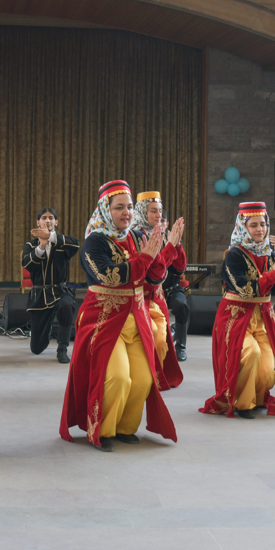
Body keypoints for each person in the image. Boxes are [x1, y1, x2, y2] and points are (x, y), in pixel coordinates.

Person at [59, 180, 177, 452]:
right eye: (119, 207)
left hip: (137, 318)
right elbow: (110, 276)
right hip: (104, 319)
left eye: (129, 207)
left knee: (144, 379)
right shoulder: (94, 242)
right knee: (118, 377)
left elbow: (154, 276)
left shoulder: (138, 237)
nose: (126, 212)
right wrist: (146, 260)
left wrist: (163, 252)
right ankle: (101, 429)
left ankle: (125, 427)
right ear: (105, 210)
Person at [202, 201, 275, 418]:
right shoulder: (234, 255)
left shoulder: (269, 253)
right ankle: (242, 402)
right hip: (236, 316)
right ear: (243, 227)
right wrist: (274, 272)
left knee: (267, 371)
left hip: (262, 316)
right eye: (253, 225)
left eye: (262, 224)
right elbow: (246, 290)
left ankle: (256, 396)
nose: (259, 229)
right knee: (251, 354)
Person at [133, 191, 191, 366]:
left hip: (165, 291)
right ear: (143, 212)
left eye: (160, 211)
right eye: (153, 211)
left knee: (180, 307)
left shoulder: (164, 236)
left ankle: (180, 345)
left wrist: (177, 245)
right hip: (143, 294)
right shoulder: (136, 236)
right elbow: (155, 271)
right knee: (154, 337)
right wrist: (171, 247)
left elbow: (180, 267)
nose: (159, 215)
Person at [22, 207, 80, 363]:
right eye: (44, 218)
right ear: (38, 222)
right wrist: (41, 246)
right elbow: (27, 264)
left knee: (66, 306)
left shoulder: (62, 242)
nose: (47, 220)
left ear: (56, 222)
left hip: (60, 291)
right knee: (36, 348)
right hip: (40, 295)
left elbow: (76, 245)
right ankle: (46, 332)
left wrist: (51, 237)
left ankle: (62, 348)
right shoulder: (31, 245)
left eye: (51, 218)